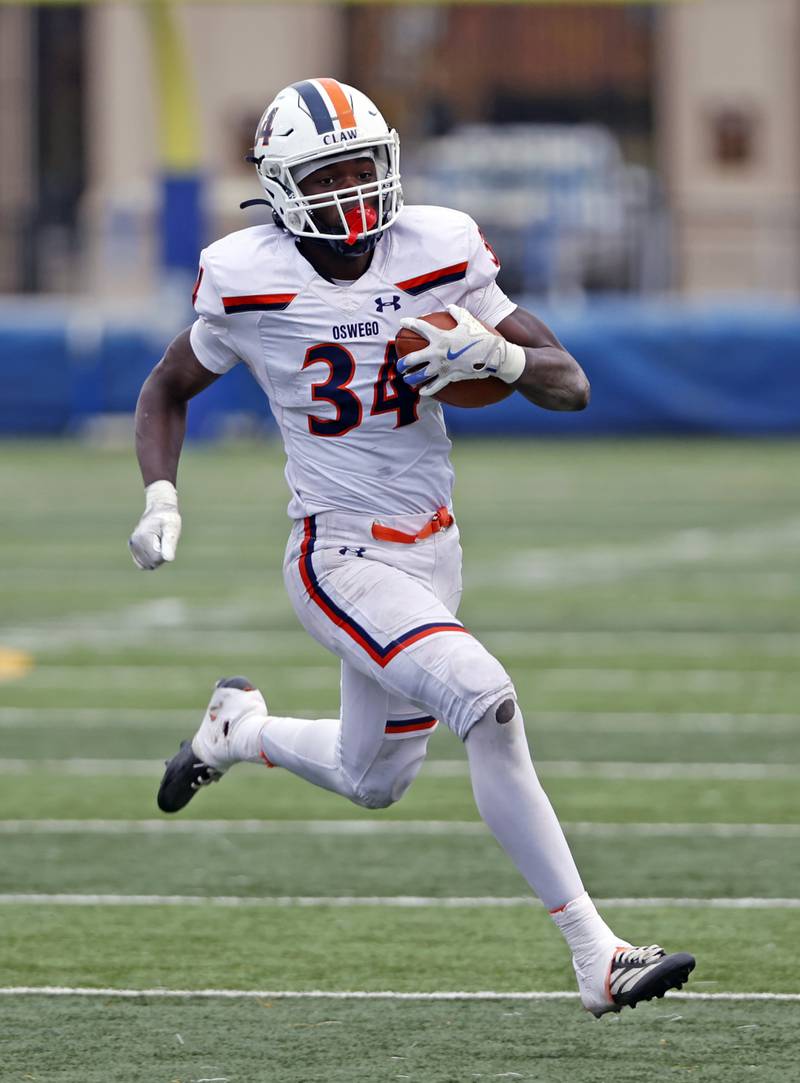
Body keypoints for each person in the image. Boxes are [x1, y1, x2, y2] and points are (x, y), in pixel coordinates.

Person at [129, 78, 694, 1016]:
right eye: (328, 175)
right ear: (281, 187)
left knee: (374, 777)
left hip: (435, 547)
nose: (353, 189)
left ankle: (239, 730)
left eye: (362, 166)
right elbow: (166, 386)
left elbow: (571, 383)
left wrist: (503, 359)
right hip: (339, 556)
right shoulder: (247, 276)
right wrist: (160, 494)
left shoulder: (439, 248)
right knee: (488, 701)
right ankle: (597, 954)